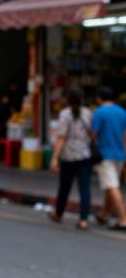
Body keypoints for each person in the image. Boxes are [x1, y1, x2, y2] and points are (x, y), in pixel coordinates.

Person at [48, 88, 92, 229]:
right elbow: (92, 134)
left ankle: (58, 213)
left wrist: (54, 158)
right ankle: (84, 219)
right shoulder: (88, 113)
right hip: (85, 154)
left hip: (68, 156)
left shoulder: (64, 114)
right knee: (84, 188)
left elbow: (61, 138)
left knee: (64, 187)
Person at [91, 86, 126, 230]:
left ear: (99, 98)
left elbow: (93, 134)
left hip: (104, 154)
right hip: (120, 154)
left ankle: (123, 220)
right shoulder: (122, 112)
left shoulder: (99, 112)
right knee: (110, 186)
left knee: (112, 186)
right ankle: (104, 214)